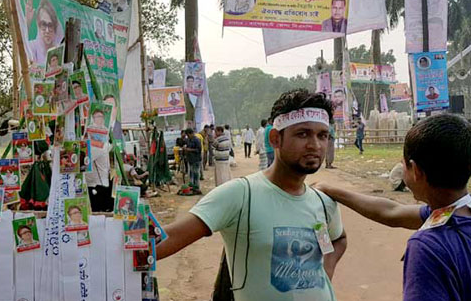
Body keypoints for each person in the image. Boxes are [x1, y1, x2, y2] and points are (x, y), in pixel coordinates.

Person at [157, 89, 347, 301]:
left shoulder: (322, 202)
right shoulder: (240, 195)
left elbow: (337, 239)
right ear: (275, 139)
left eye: (322, 135)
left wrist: (325, 275)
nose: (315, 145)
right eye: (303, 134)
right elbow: (167, 239)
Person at [315, 114, 471, 301]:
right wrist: (329, 190)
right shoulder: (454, 213)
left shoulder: (428, 247)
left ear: (416, 171)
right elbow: (392, 212)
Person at [25, 0, 63, 66]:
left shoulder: (61, 51)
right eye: (43, 24)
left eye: (50, 25)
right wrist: (27, 23)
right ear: (38, 25)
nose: (47, 31)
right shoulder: (32, 46)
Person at [183, 128, 202, 192]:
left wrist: (190, 150)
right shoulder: (188, 140)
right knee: (191, 173)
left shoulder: (196, 140)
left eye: (188, 135)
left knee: (196, 174)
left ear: (191, 133)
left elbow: (198, 150)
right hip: (190, 159)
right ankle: (192, 186)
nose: (187, 136)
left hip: (196, 159)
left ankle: (197, 187)